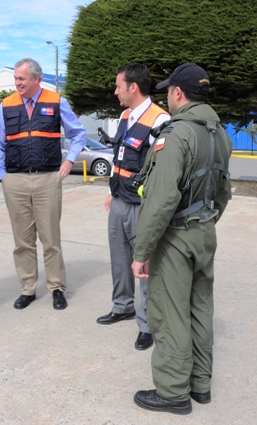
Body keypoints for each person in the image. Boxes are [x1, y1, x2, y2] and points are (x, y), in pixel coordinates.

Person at [130, 63, 232, 415]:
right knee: (200, 309)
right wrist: (205, 222)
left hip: (175, 236)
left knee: (169, 313)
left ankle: (173, 391)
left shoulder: (176, 135)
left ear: (177, 93)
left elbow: (161, 200)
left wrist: (142, 250)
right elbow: (223, 192)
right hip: (205, 231)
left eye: (169, 91)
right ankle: (200, 384)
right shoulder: (219, 134)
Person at [0, 58, 86, 311]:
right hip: (15, 180)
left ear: (36, 79)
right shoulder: (6, 104)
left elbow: (78, 133)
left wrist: (69, 160)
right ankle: (28, 288)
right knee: (22, 240)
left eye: (21, 78)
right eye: (15, 78)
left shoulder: (57, 101)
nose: (17, 83)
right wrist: (3, 175)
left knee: (50, 239)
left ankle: (56, 288)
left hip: (47, 180)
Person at [96, 63, 170, 352]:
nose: (115, 92)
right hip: (119, 199)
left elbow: (161, 169)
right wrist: (111, 191)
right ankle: (122, 306)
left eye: (118, 86)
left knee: (145, 264)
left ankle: (147, 324)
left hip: (142, 205)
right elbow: (120, 155)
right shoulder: (126, 115)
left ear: (133, 87)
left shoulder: (159, 119)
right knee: (119, 258)